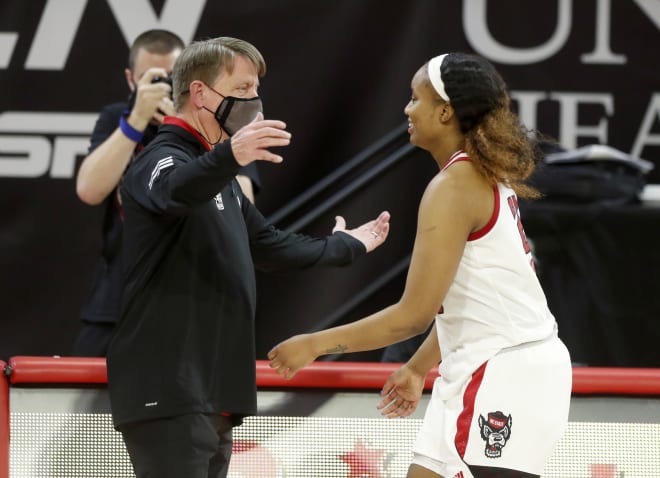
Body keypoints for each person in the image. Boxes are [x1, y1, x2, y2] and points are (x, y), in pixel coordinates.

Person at [268, 52, 572, 478]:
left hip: (505, 372)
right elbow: (462, 301)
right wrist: (416, 367)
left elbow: (410, 317)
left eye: (415, 98)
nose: (407, 109)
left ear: (445, 111)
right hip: (482, 367)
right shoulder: (475, 176)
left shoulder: (453, 187)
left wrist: (315, 344)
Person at [106, 36, 391, 478]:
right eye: (241, 90)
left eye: (256, 90)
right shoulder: (159, 159)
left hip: (213, 392)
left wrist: (346, 245)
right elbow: (172, 191)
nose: (253, 102)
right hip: (169, 390)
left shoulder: (217, 177)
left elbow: (270, 244)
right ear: (200, 93)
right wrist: (229, 154)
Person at [72, 29, 262, 357]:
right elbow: (89, 189)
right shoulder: (116, 118)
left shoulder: (215, 123)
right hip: (117, 302)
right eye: (152, 79)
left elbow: (241, 206)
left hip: (190, 301)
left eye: (172, 77)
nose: (163, 87)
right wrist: (135, 122)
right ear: (132, 80)